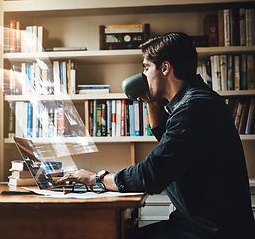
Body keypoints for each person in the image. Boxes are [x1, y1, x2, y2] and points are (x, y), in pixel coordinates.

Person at [56, 32, 255, 239]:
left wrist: (95, 178)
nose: (143, 75)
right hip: (196, 223)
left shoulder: (195, 106)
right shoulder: (191, 102)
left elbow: (153, 174)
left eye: (146, 67)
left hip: (213, 231)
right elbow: (172, 150)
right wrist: (152, 101)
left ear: (165, 68)